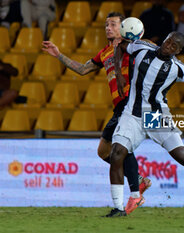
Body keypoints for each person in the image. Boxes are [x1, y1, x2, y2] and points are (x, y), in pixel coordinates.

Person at [41, 12, 151, 215]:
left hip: (132, 103)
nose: (108, 28)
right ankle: (138, 181)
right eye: (106, 25)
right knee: (104, 151)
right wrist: (58, 55)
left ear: (125, 27)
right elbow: (83, 69)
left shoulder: (133, 46)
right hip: (119, 106)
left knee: (121, 145)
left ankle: (135, 194)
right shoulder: (105, 52)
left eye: (113, 24)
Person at [106, 31, 184, 217]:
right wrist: (119, 74)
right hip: (132, 114)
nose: (169, 47)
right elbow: (120, 47)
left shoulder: (178, 68)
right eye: (168, 42)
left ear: (178, 51)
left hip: (156, 117)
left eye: (174, 47)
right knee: (116, 153)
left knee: (183, 157)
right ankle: (119, 208)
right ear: (165, 39)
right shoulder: (142, 47)